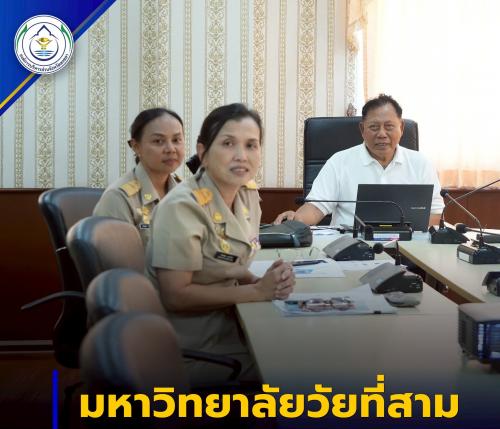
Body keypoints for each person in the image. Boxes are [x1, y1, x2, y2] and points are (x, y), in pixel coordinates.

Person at [145, 103, 295, 385]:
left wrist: (261, 280)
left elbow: (227, 262)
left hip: (233, 325)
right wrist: (258, 291)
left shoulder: (247, 194)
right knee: (299, 368)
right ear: (203, 152)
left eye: (251, 145)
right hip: (194, 347)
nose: (241, 156)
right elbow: (175, 296)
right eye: (228, 144)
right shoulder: (182, 207)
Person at [274, 94, 444, 227]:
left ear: (402, 128)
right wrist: (296, 219)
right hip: (350, 248)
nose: (382, 134)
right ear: (362, 129)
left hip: (407, 248)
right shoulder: (339, 162)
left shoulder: (421, 164)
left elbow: (435, 213)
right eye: (374, 127)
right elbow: (317, 206)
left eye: (389, 126)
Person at [93, 108, 185, 246]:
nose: (171, 149)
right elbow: (118, 256)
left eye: (176, 140)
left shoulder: (186, 191)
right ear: (136, 147)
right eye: (158, 141)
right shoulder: (118, 198)